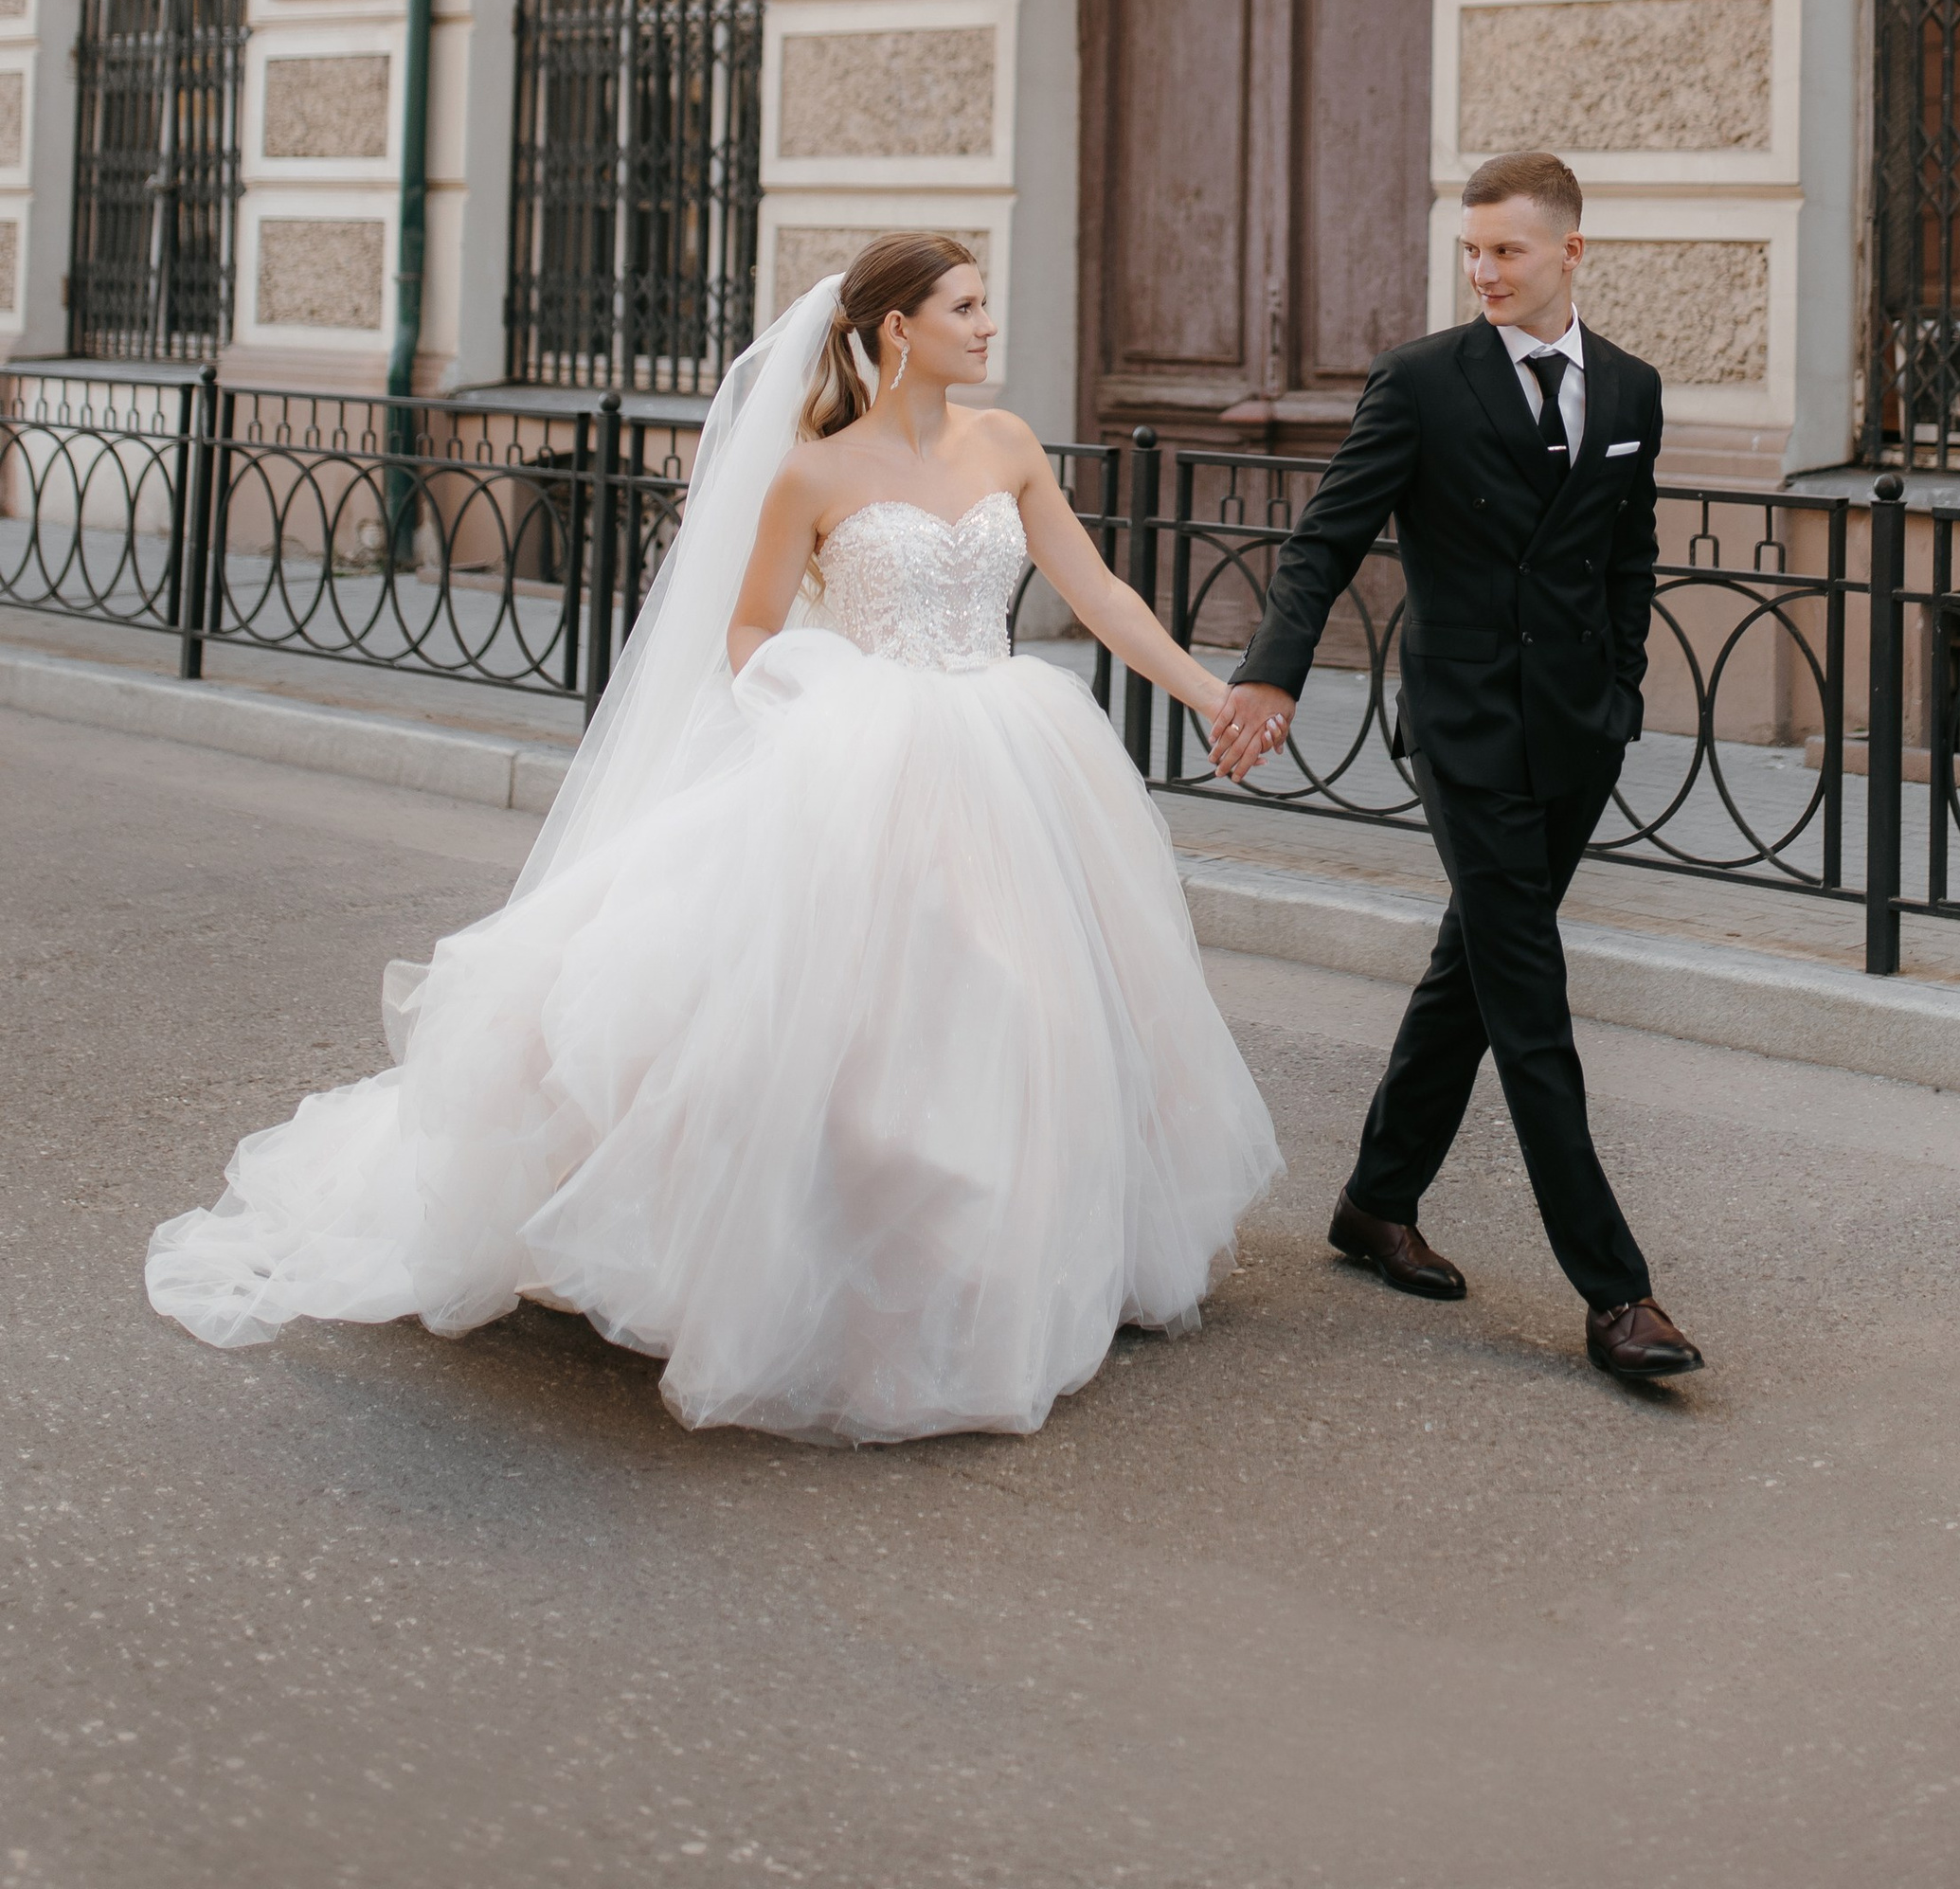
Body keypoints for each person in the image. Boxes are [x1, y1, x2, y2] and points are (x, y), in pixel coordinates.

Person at [146, 237, 1280, 1445]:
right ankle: (854, 1277)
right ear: (899, 328)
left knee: (1023, 1007)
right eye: (967, 305)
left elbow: (1097, 595)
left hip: (1009, 744)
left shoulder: (1005, 447)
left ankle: (1011, 1258)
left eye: (986, 303)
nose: (990, 324)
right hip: (865, 752)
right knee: (860, 1025)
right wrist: (826, 710)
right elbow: (747, 633)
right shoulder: (810, 473)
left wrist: (1214, 695)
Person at [1213, 151, 1703, 1383]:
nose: (1483, 272)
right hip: (1468, 735)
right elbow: (1328, 537)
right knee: (1529, 1000)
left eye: (1508, 251)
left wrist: (1623, 693)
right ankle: (1618, 1294)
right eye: (1471, 251)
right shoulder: (1423, 384)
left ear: (1571, 253)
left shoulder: (1633, 391)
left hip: (1578, 734)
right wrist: (1271, 672)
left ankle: (1376, 1200)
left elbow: (1628, 560)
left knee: (1473, 970)